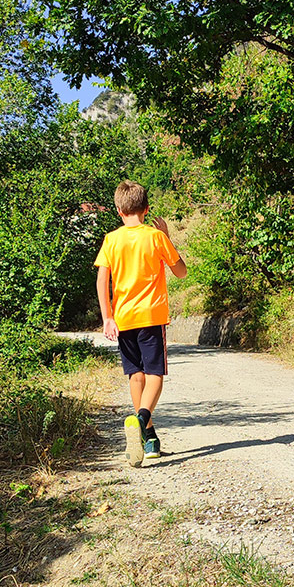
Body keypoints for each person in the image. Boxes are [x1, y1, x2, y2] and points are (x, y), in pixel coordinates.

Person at [94, 180, 187, 467]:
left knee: (136, 376)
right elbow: (181, 272)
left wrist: (107, 317)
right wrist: (167, 237)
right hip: (151, 316)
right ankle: (141, 419)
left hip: (123, 318)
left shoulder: (111, 239)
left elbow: (102, 280)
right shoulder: (155, 237)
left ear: (119, 210)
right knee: (155, 374)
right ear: (146, 209)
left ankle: (148, 437)